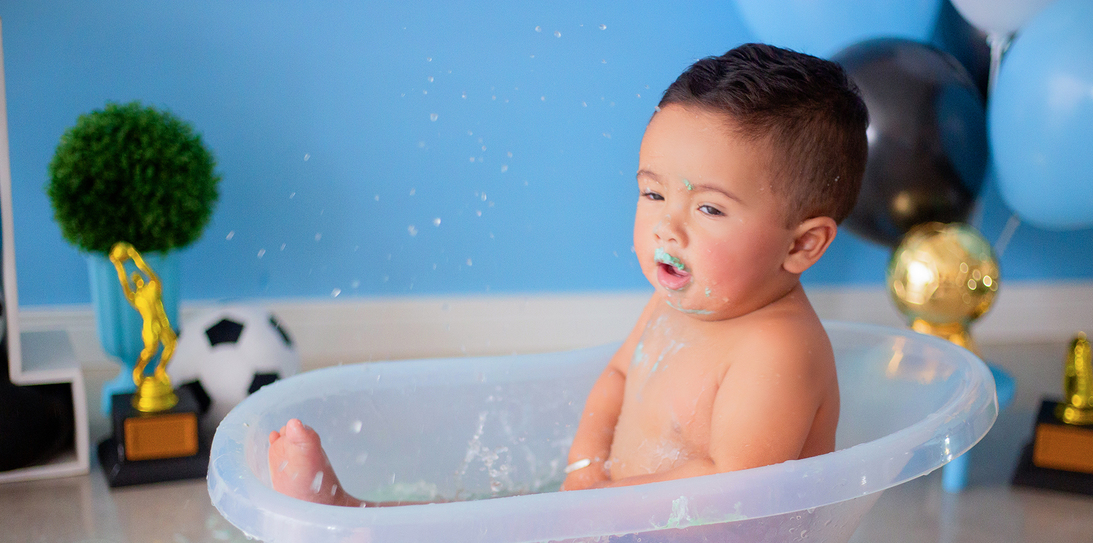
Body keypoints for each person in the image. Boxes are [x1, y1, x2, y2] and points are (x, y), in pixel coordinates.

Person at [269, 43, 868, 508]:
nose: (667, 227)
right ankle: (368, 520)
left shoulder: (774, 348)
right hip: (625, 522)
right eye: (653, 193)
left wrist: (601, 512)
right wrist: (585, 473)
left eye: (708, 208)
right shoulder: (684, 303)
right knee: (504, 527)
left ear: (802, 245)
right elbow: (616, 376)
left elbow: (732, 489)